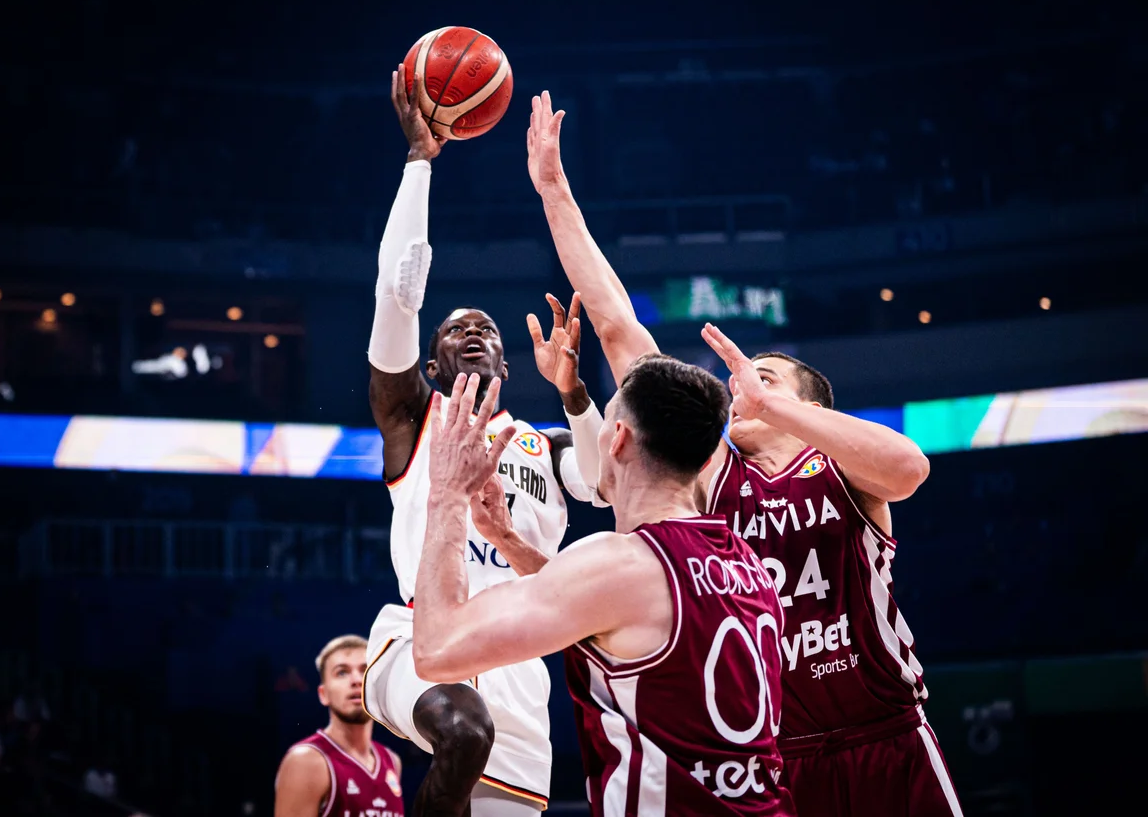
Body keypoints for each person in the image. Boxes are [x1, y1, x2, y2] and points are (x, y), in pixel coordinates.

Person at [526, 90, 962, 817]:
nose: (743, 387)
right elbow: (614, 323)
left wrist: (774, 403)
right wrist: (555, 190)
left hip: (887, 736)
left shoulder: (840, 469)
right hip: (778, 757)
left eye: (766, 374)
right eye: (744, 379)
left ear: (808, 405)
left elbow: (910, 469)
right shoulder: (708, 473)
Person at [362, 65, 606, 817]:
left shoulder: (546, 445)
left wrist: (575, 394)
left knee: (490, 769)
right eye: (454, 331)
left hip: (517, 655)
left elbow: (604, 483)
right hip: (420, 630)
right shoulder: (412, 418)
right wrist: (418, 165)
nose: (471, 332)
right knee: (464, 731)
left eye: (486, 330)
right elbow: (398, 296)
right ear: (433, 364)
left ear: (507, 362)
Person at [412, 365, 796, 816]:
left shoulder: (620, 563)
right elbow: (606, 613)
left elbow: (436, 649)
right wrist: (507, 539)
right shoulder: (746, 560)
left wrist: (447, 493)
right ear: (708, 458)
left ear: (617, 438)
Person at [274, 635, 404, 817]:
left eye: (365, 670)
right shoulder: (306, 761)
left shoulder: (392, 761)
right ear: (323, 694)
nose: (356, 680)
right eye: (342, 672)